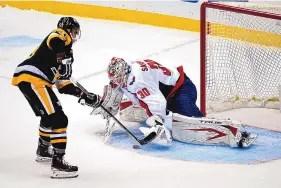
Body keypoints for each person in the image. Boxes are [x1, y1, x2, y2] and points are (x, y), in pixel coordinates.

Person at [93, 57, 257, 148]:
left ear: (125, 71)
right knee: (129, 109)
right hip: (166, 93)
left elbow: (157, 103)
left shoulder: (138, 80)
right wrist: (99, 102)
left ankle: (236, 134)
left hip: (182, 90)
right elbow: (114, 93)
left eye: (118, 77)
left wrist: (158, 123)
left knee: (189, 123)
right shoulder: (128, 73)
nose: (117, 81)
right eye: (114, 77)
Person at [11, 17, 101, 179]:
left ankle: (44, 149)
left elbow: (64, 86)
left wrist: (84, 96)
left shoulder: (62, 57)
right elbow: (54, 39)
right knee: (59, 119)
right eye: (74, 32)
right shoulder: (61, 38)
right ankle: (58, 163)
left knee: (49, 117)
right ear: (68, 30)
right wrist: (63, 57)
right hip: (33, 78)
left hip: (31, 78)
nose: (74, 35)